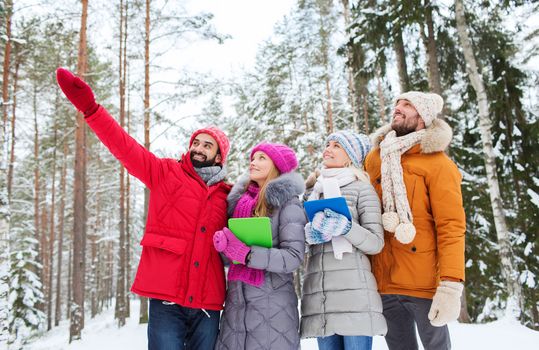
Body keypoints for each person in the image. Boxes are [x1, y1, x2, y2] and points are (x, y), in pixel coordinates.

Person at [55, 68, 231, 350]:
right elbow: (125, 148)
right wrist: (91, 109)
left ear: (219, 156)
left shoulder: (227, 195)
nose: (198, 148)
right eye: (195, 142)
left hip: (207, 304)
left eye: (207, 145)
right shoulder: (165, 172)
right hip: (166, 298)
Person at [364, 91, 466, 350]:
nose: (398, 108)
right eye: (397, 103)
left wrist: (451, 285)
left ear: (423, 117)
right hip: (384, 280)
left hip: (423, 284)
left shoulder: (438, 164)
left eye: (407, 105)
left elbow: (451, 226)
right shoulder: (376, 157)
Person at [212, 142, 306, 350]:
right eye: (253, 158)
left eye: (262, 158)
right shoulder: (239, 203)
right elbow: (234, 258)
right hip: (237, 306)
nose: (253, 163)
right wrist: (226, 248)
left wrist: (247, 254)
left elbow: (293, 257)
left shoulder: (288, 204)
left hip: (273, 308)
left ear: (276, 166)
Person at [300, 131, 387, 350]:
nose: (328, 149)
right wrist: (308, 236)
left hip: (355, 297)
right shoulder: (313, 192)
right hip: (321, 298)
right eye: (328, 144)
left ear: (351, 156)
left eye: (337, 145)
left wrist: (345, 227)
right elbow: (297, 241)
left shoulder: (362, 189)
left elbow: (376, 243)